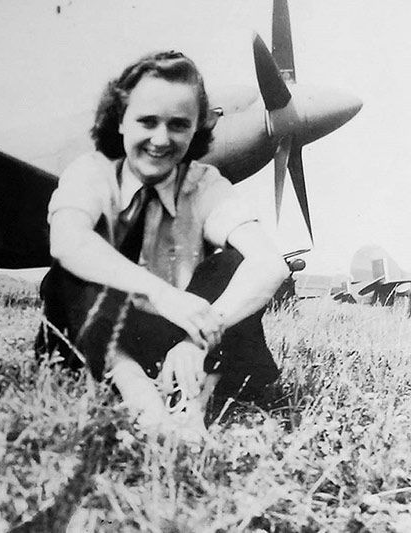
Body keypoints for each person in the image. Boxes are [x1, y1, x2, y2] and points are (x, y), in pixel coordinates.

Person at [36, 50, 288, 433]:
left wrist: (199, 336)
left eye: (178, 125)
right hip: (98, 342)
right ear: (120, 121)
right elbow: (67, 242)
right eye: (147, 122)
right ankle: (141, 399)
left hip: (177, 340)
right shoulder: (91, 173)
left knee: (233, 263)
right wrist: (161, 294)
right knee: (71, 271)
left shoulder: (205, 185)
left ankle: (190, 404)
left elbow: (270, 264)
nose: (161, 139)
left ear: (196, 129)